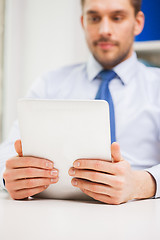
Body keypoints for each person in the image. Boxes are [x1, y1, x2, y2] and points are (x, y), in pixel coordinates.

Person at [1, 0, 160, 204]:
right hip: (55, 216)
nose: (104, 30)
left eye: (117, 18)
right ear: (83, 22)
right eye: (94, 18)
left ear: (137, 23)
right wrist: (10, 176)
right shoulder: (50, 84)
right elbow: (7, 151)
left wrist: (141, 184)